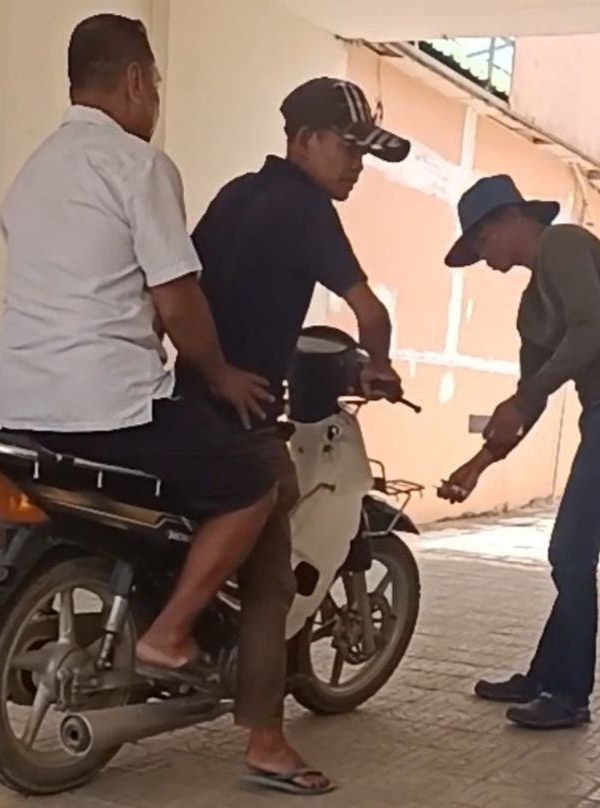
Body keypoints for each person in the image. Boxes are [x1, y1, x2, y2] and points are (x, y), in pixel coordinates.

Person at [0, 14, 278, 688]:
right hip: (110, 408)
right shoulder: (136, 165)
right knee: (253, 478)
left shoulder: (31, 174)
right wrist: (221, 374)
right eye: (155, 83)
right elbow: (176, 299)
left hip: (22, 405)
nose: (154, 99)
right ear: (134, 81)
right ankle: (169, 632)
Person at [179, 77, 410, 794]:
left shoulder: (235, 196)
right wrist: (377, 365)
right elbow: (369, 311)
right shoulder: (306, 208)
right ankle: (265, 740)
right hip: (241, 421)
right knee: (271, 577)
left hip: (182, 402)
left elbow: (182, 291)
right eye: (349, 149)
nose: (357, 166)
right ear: (305, 140)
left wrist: (209, 369)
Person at [438, 174, 600, 729]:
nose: (483, 258)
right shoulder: (531, 309)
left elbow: (591, 329)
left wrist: (526, 396)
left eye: (482, 241)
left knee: (571, 554)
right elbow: (528, 400)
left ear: (511, 218)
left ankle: (567, 695)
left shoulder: (565, 243)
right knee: (573, 555)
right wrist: (478, 465)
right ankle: (548, 676)